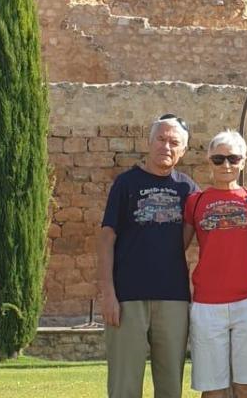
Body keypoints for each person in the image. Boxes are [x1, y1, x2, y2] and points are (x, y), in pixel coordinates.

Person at [98, 114, 199, 398]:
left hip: (173, 298)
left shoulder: (188, 189)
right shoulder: (126, 184)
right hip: (128, 297)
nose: (166, 146)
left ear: (183, 150)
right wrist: (108, 294)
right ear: (149, 141)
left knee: (170, 387)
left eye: (174, 142)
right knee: (124, 386)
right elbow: (106, 239)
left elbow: (211, 216)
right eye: (161, 139)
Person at [183, 130, 247, 398]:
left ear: (243, 161)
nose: (226, 165)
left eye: (233, 158)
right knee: (213, 388)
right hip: (207, 303)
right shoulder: (195, 202)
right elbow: (177, 248)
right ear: (209, 160)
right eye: (219, 159)